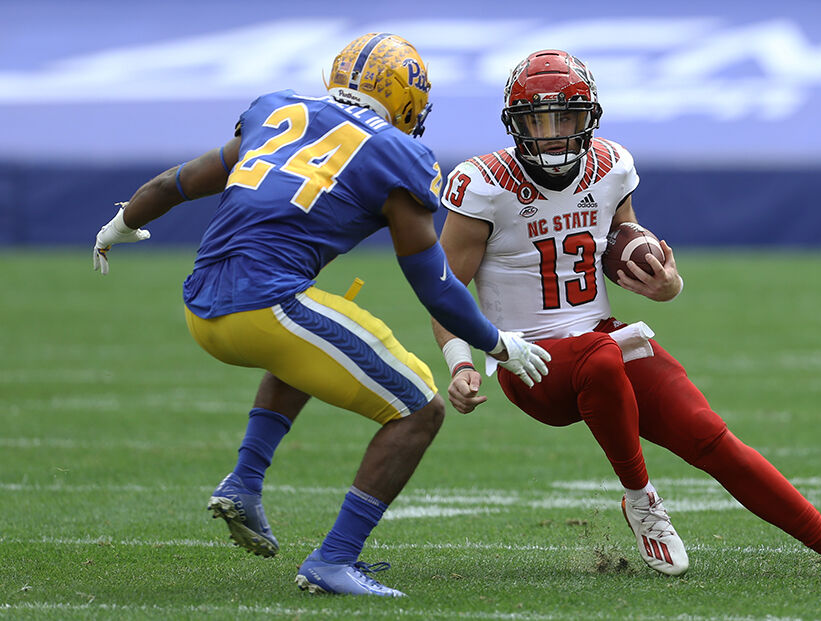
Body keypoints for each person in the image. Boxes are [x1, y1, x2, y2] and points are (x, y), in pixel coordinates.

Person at [91, 32, 550, 598]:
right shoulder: (398, 154)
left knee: (320, 327)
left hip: (202, 306)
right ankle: (333, 560)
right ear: (408, 98)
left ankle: (245, 480)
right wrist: (498, 343)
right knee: (419, 410)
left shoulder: (275, 110)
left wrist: (119, 226)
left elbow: (176, 182)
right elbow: (434, 285)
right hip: (267, 308)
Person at [431, 49, 821, 580]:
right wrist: (461, 362)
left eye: (566, 116)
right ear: (514, 124)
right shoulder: (484, 183)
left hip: (602, 337)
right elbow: (443, 288)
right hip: (529, 361)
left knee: (708, 434)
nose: (553, 133)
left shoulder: (610, 167)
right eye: (539, 120)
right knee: (600, 355)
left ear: (589, 118)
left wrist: (666, 285)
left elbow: (621, 247)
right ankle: (641, 498)